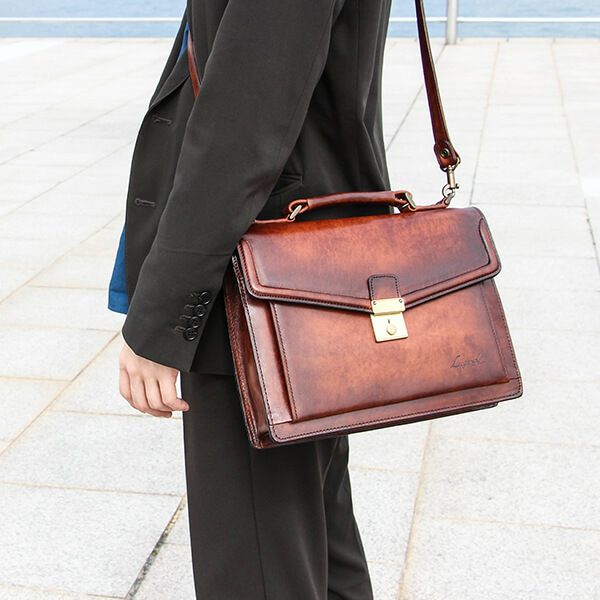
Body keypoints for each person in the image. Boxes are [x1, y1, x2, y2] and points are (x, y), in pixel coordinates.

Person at [110, 0, 393, 597]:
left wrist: (162, 321)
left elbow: (240, 129)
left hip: (254, 289)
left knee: (259, 564)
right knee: (312, 540)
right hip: (301, 272)